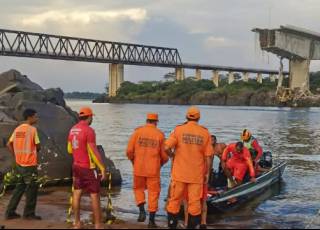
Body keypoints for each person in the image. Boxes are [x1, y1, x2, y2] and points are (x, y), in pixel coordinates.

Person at [165, 106, 214, 229]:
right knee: (194, 204)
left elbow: (166, 148)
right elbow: (209, 156)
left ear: (186, 117)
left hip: (179, 174)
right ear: (199, 118)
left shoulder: (178, 130)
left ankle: (172, 226)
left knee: (174, 201)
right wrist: (207, 173)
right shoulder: (205, 132)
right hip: (196, 176)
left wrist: (173, 156)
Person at [127, 113, 168, 228]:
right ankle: (151, 221)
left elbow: (129, 151)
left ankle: (141, 210)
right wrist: (160, 164)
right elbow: (164, 156)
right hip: (153, 170)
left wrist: (133, 162)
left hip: (138, 168)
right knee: (153, 193)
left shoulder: (137, 132)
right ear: (156, 122)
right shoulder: (160, 135)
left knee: (138, 189)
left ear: (146, 120)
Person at [67, 107, 106, 229]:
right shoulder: (89, 130)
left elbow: (69, 149)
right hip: (88, 167)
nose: (92, 119)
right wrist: (102, 168)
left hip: (76, 166)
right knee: (94, 194)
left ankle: (77, 223)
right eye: (91, 117)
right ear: (89, 117)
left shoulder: (73, 129)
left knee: (77, 193)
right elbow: (93, 151)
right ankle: (98, 225)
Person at [5, 109, 41, 220]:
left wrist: (16, 156)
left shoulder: (17, 129)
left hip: (19, 163)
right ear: (29, 117)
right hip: (29, 164)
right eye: (35, 116)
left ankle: (10, 212)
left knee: (19, 188)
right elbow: (38, 146)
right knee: (32, 188)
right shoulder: (32, 130)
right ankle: (29, 214)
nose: (37, 118)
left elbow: (8, 144)